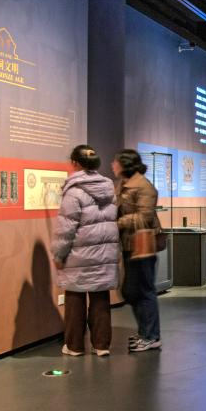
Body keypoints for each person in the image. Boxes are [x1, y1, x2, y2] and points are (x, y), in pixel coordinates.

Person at [51, 145, 119, 357]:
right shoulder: (108, 187)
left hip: (78, 256)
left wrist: (58, 254)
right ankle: (102, 345)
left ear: (75, 163)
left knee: (75, 299)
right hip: (104, 254)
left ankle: (74, 346)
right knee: (101, 299)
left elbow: (66, 228)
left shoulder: (73, 191)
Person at [113, 149, 163, 352]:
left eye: (116, 161)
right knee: (131, 291)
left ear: (125, 164)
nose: (113, 165)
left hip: (142, 245)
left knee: (143, 290)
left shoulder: (143, 186)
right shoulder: (124, 184)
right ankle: (145, 332)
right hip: (129, 245)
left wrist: (118, 222)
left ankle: (151, 336)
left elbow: (145, 217)